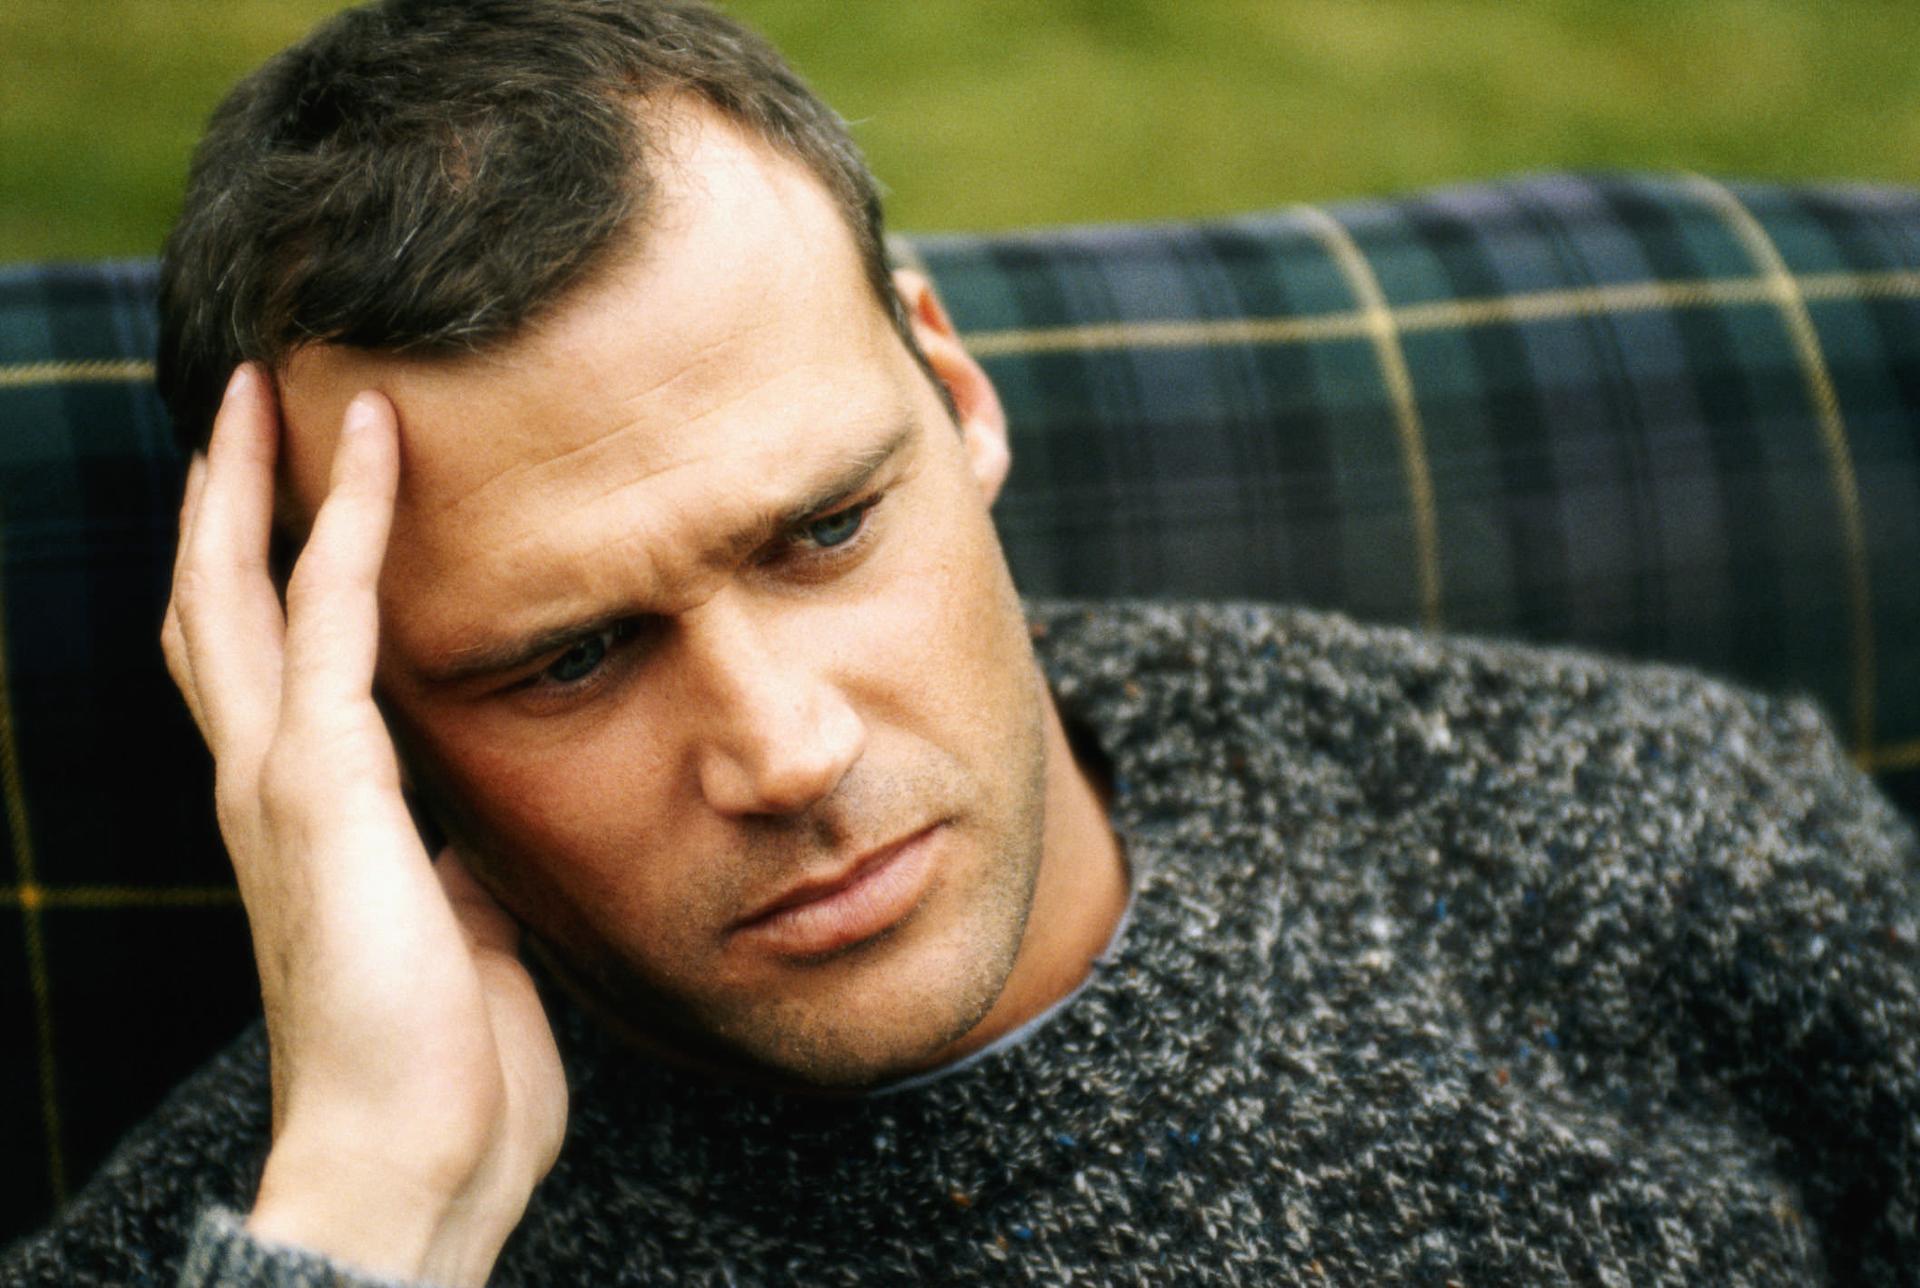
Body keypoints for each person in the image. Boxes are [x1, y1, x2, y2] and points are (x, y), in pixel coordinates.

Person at [5, 1, 1918, 1284]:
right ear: (334, 704)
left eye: (826, 529)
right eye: (569, 657)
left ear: (955, 385)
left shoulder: (1651, 833)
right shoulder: (292, 1217)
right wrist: (378, 1208)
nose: (787, 751)